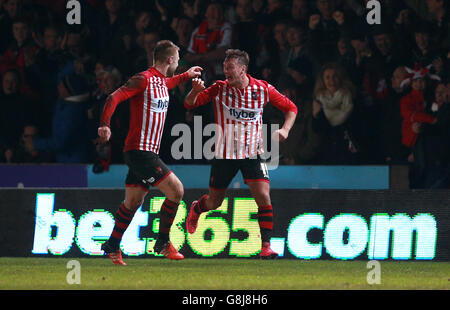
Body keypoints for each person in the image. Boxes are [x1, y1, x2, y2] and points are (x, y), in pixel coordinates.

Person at [183, 49, 298, 259]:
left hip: (252, 153)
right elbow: (189, 103)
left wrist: (285, 129)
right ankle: (197, 208)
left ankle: (265, 246)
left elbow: (291, 108)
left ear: (243, 69)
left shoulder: (263, 89)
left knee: (263, 197)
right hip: (224, 155)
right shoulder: (218, 88)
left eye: (230, 67)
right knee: (214, 202)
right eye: (224, 67)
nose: (225, 71)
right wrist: (193, 91)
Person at [97, 40, 202, 265]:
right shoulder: (143, 79)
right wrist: (105, 124)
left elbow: (169, 82)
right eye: (178, 58)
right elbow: (113, 97)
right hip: (140, 151)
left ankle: (112, 245)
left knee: (133, 201)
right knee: (176, 191)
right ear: (171, 60)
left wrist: (186, 75)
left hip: (144, 152)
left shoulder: (160, 82)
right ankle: (163, 242)